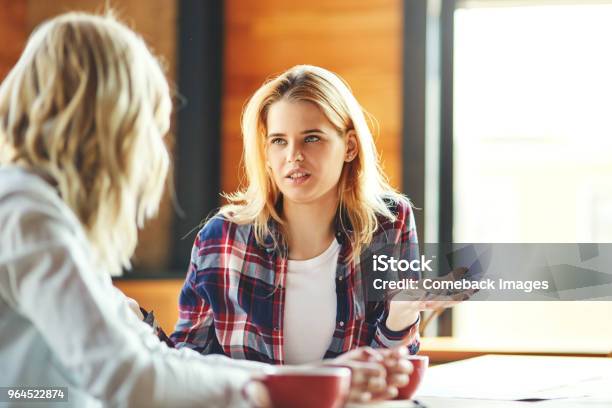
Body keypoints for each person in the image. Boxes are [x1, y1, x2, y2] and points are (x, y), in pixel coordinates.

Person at [0, 12, 275, 407]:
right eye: (150, 125)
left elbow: (151, 356)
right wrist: (256, 391)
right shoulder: (28, 216)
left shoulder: (41, 213)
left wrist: (302, 377)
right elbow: (128, 377)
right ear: (114, 123)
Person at [172, 65, 457, 401]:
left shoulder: (389, 222)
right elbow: (186, 361)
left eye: (312, 138)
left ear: (349, 146)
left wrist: (399, 317)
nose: (293, 156)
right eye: (279, 141)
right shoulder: (222, 237)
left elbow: (390, 374)